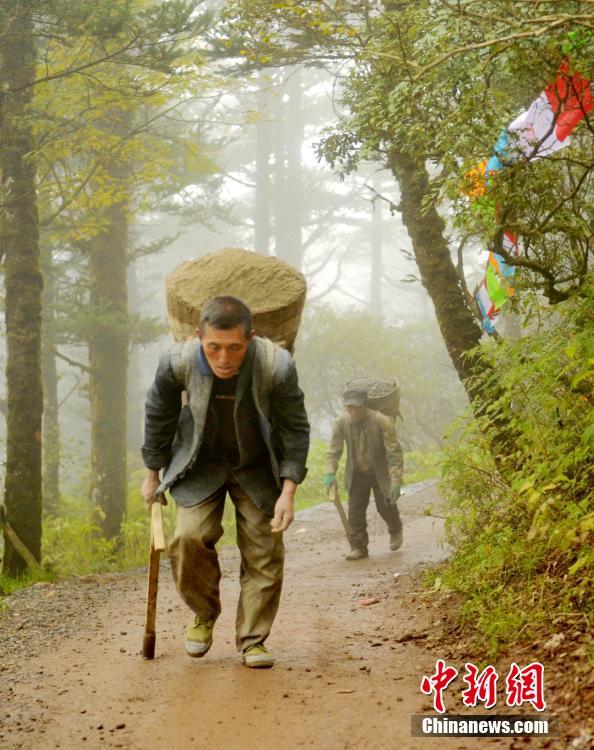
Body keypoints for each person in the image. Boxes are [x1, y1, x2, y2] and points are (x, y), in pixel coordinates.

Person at [141, 295, 309, 668]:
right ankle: (204, 613)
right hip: (199, 464)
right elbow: (158, 416)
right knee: (187, 538)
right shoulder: (177, 362)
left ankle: (253, 640)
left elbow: (295, 429)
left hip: (257, 465)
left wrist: (288, 492)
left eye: (234, 348)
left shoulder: (276, 366)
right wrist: (152, 474)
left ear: (251, 338)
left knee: (264, 550)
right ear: (197, 337)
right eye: (214, 347)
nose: (223, 358)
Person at [324, 388, 403, 560]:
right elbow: (333, 451)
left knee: (386, 506)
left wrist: (396, 481)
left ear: (365, 405)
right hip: (357, 472)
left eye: (357, 407)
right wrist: (329, 473)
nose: (353, 411)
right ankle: (359, 547)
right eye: (349, 407)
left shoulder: (382, 421)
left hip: (380, 471)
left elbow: (394, 453)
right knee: (355, 511)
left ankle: (395, 529)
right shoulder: (341, 423)